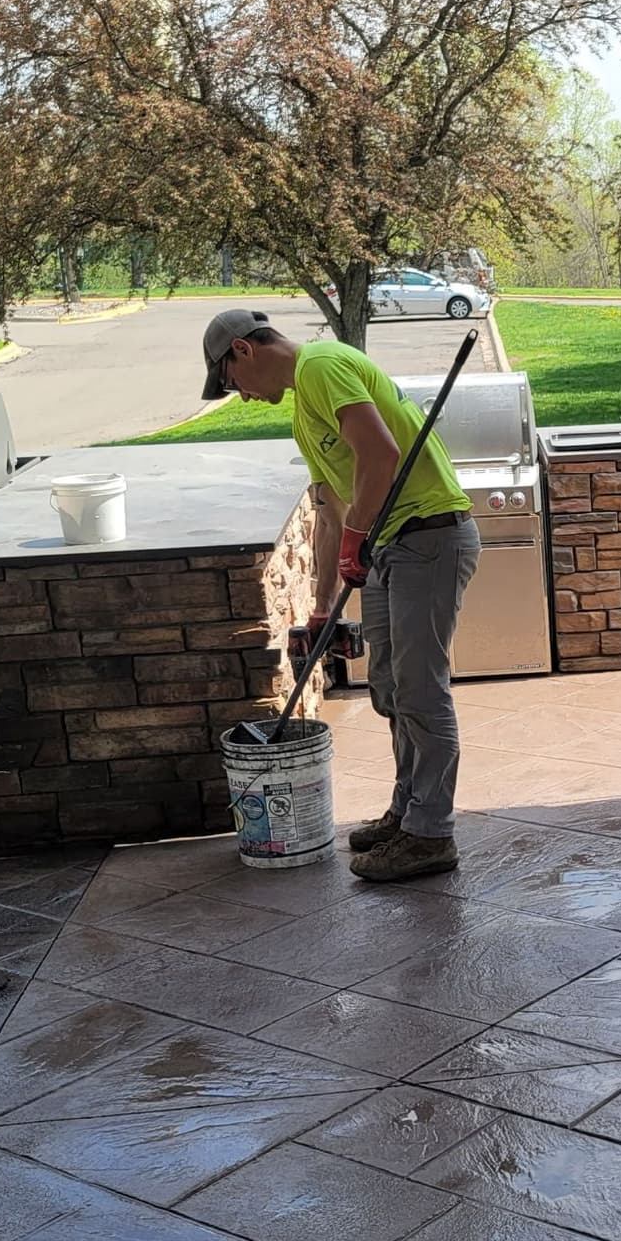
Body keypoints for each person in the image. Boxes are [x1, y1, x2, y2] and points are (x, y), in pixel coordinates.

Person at [200, 307, 479, 882]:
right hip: (389, 549)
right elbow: (330, 512)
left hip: (428, 534)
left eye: (230, 382)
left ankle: (431, 835)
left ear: (243, 351)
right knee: (390, 688)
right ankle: (407, 813)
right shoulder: (304, 408)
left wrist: (357, 537)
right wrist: (323, 605)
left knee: (422, 693)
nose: (240, 396)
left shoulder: (323, 364)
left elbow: (381, 454)